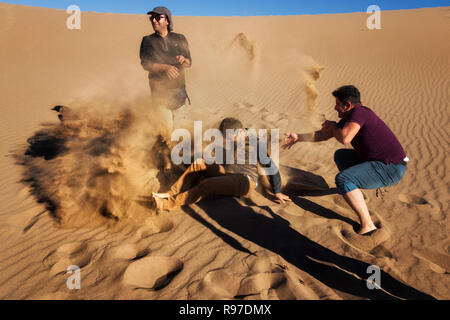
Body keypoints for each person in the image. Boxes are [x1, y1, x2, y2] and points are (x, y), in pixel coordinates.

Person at [283, 85, 409, 235]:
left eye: (337, 104)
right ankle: (354, 191)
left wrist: (334, 126)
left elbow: (344, 138)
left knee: (343, 179)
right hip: (381, 163)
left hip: (390, 168)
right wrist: (298, 137)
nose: (335, 108)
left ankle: (368, 225)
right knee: (341, 156)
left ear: (348, 105)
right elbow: (325, 135)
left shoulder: (359, 113)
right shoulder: (351, 117)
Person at [151, 118, 291, 210]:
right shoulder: (237, 134)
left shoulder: (255, 142)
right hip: (230, 174)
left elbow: (270, 167)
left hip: (246, 181)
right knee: (199, 163)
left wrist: (277, 191)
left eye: (227, 137)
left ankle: (167, 204)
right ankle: (170, 193)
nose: (225, 139)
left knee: (206, 185)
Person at [140, 6, 192, 170]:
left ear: (167, 20)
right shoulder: (148, 41)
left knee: (178, 132)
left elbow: (190, 61)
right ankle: (168, 166)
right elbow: (145, 63)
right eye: (152, 18)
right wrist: (164, 67)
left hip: (180, 94)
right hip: (160, 94)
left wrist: (184, 60)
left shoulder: (180, 38)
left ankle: (176, 162)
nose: (153, 20)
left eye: (157, 17)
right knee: (166, 133)